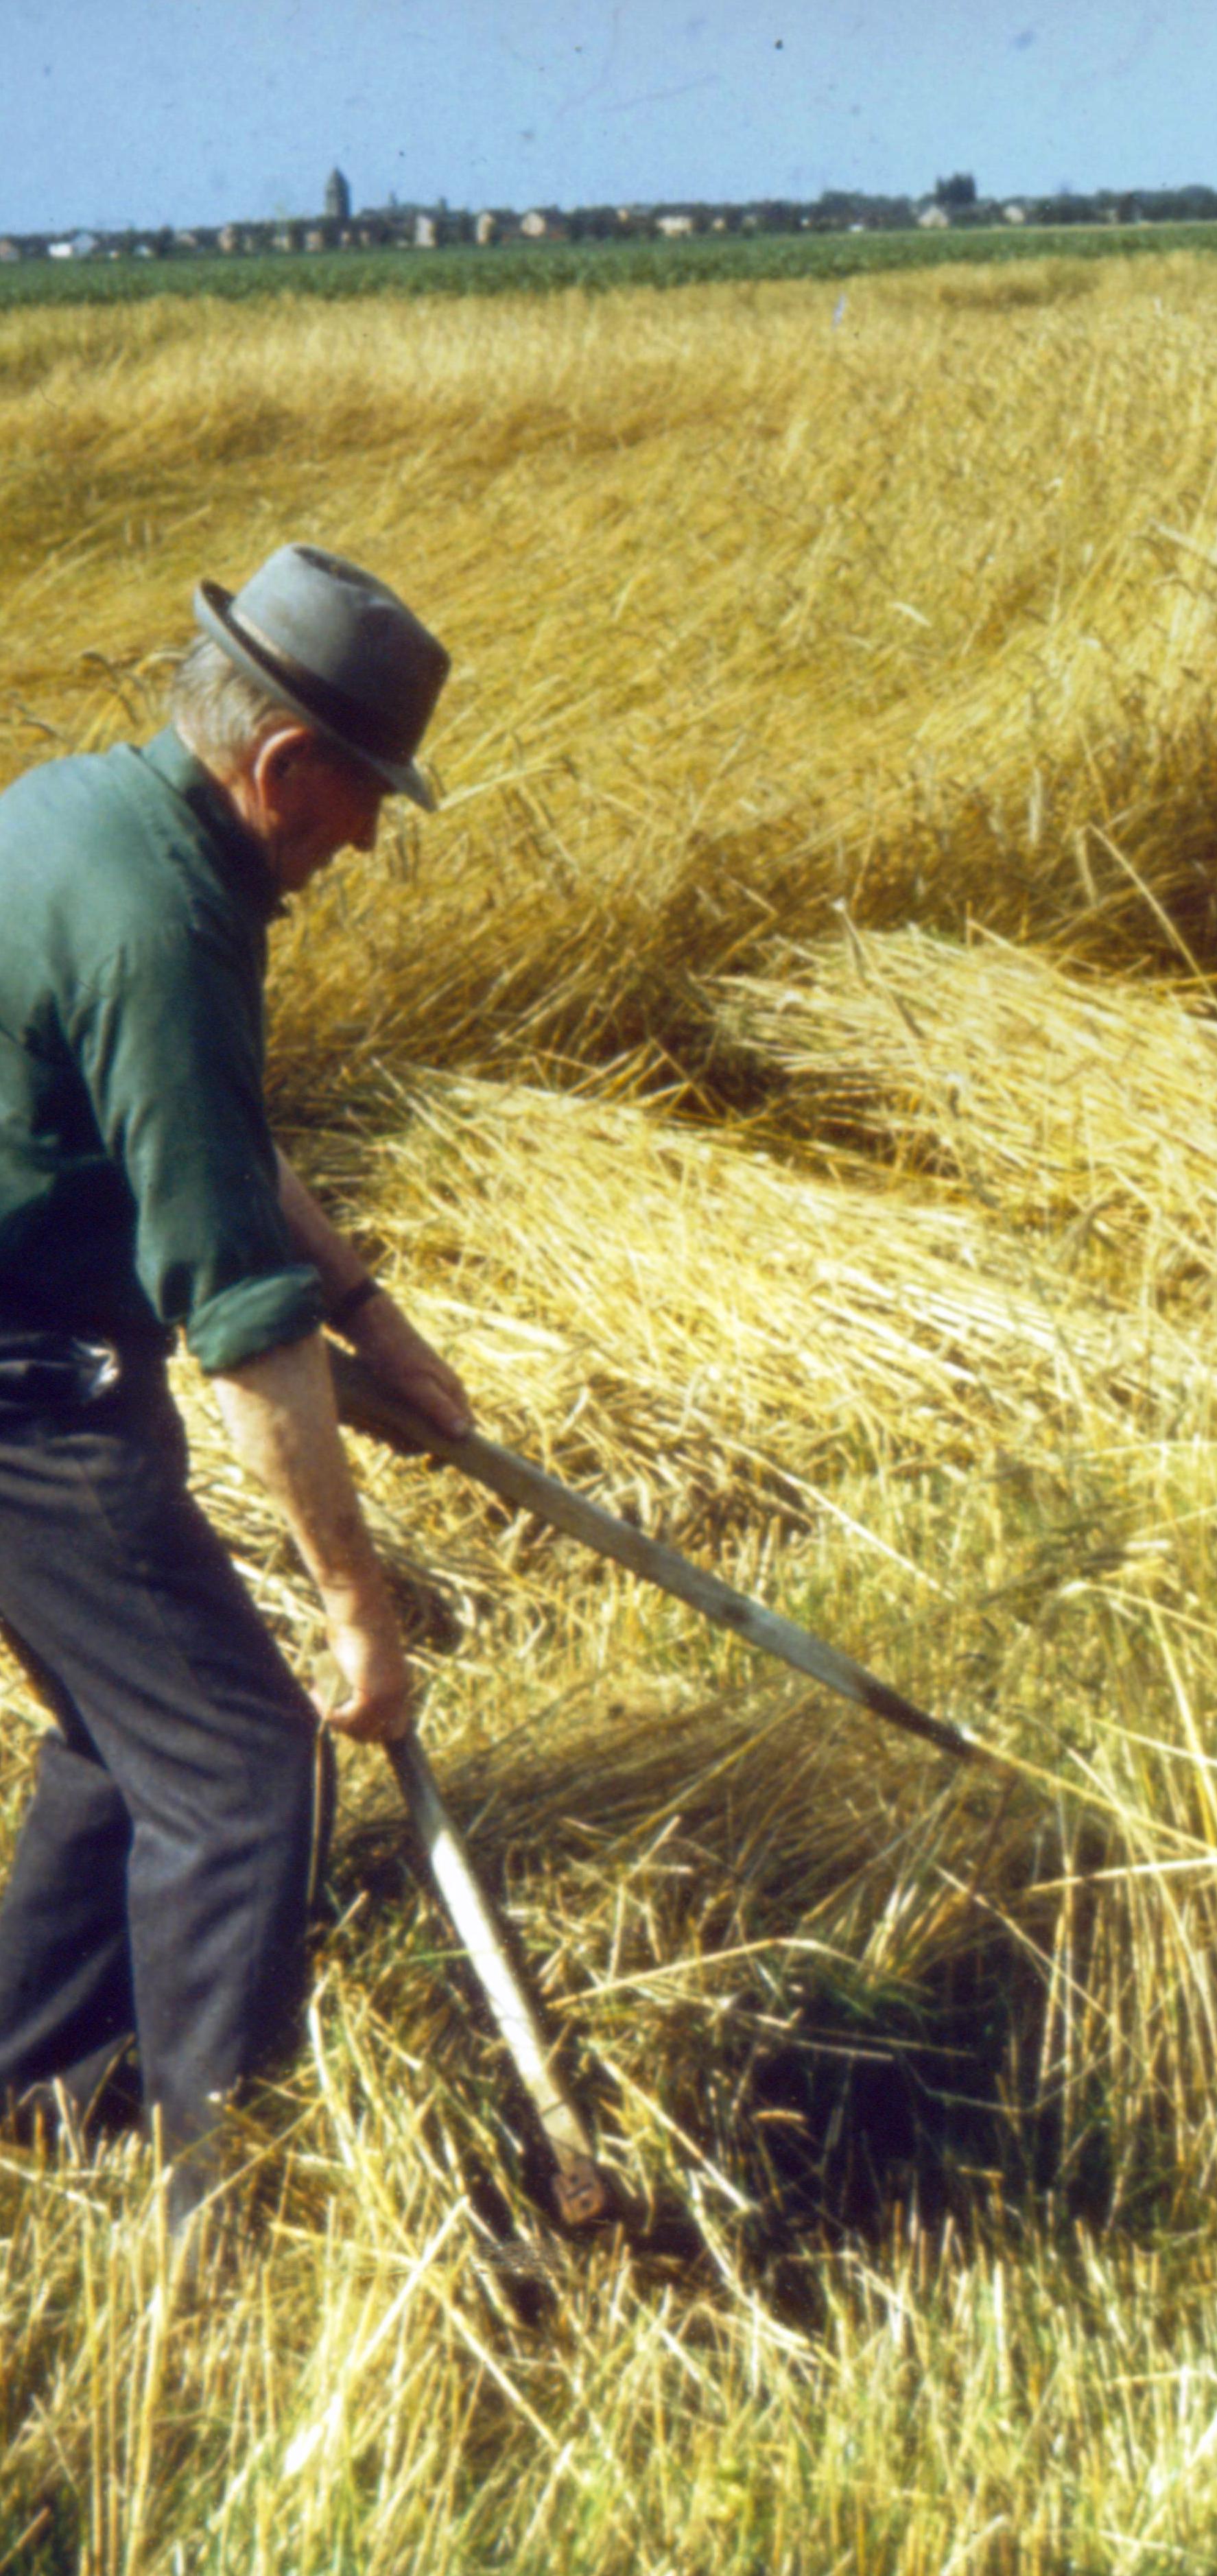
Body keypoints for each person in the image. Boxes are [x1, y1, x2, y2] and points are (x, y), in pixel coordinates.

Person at [0, 543, 473, 2236]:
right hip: (22, 1397)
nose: (360, 844)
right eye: (363, 802)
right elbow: (238, 1327)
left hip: (34, 1345)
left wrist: (374, 1306)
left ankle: (33, 2094)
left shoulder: (82, 808)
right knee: (245, 1761)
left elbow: (195, 1129)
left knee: (127, 1741)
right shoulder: (165, 909)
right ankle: (225, 2211)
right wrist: (362, 1609)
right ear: (286, 767)